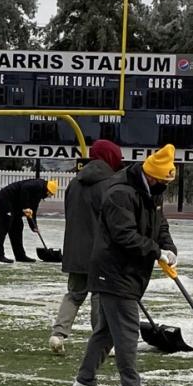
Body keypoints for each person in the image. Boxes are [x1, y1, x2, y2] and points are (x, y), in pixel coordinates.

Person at [71, 143, 179, 386]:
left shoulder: (151, 190)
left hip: (128, 271)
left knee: (106, 332)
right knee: (128, 331)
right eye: (162, 180)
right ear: (151, 174)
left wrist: (168, 247)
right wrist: (155, 251)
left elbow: (159, 223)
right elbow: (123, 235)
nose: (164, 186)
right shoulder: (121, 192)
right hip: (114, 269)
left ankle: (84, 382)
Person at [49, 139, 124, 353]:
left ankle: (58, 334)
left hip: (74, 249)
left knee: (74, 294)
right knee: (100, 297)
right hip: (100, 251)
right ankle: (101, 342)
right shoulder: (111, 184)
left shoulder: (75, 182)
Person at [0, 177, 59, 263]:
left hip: (14, 204)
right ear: (48, 190)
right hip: (5, 199)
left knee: (17, 227)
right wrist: (26, 207)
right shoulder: (37, 185)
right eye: (50, 194)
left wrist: (34, 226)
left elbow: (33, 210)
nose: (49, 196)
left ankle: (20, 255)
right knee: (4, 226)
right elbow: (24, 189)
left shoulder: (39, 193)